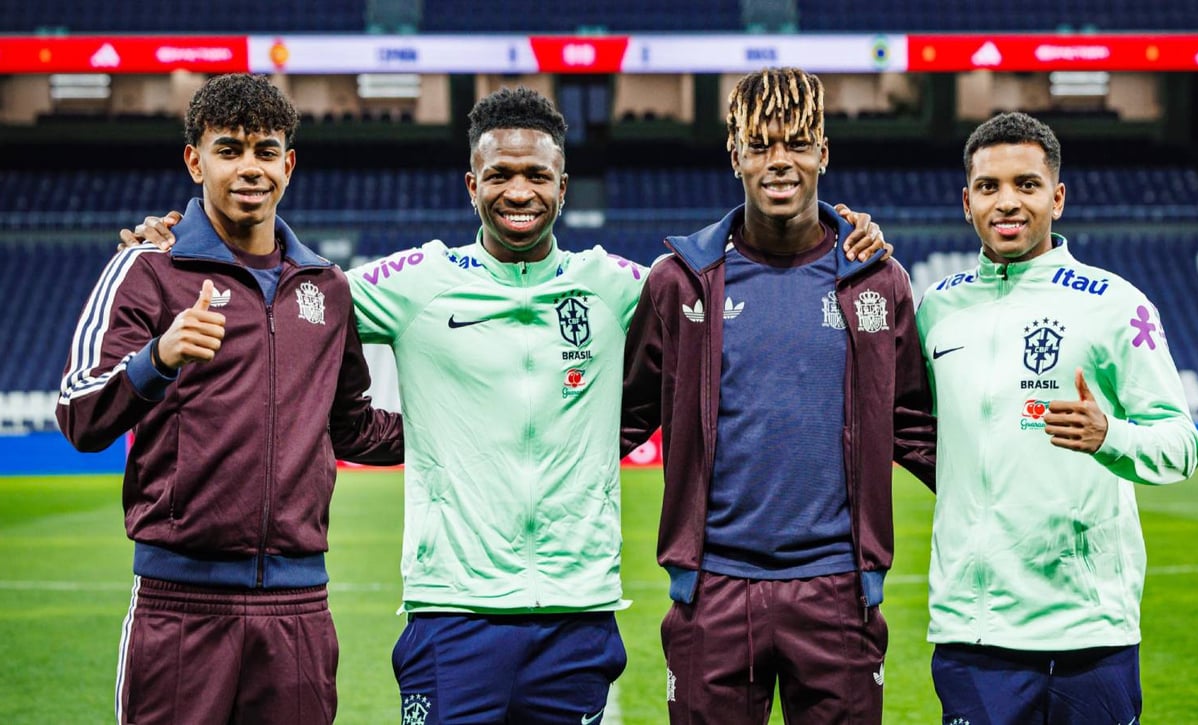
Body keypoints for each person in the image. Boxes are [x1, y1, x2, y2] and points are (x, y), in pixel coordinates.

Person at [123, 85, 891, 725]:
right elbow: (296, 298)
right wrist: (192, 243)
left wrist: (850, 231)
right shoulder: (412, 282)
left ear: (562, 184)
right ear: (471, 185)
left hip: (577, 607)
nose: (517, 190)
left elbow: (742, 280)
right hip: (452, 609)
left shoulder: (627, 283)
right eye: (499, 175)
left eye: (536, 174)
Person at [57, 73, 404, 725]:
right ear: (195, 160)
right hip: (179, 605)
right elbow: (79, 414)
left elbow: (353, 426)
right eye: (230, 149)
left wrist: (468, 428)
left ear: (289, 164)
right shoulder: (148, 272)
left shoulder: (325, 288)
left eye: (266, 150)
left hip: (300, 607)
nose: (251, 167)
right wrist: (158, 357)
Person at [620, 67, 938, 724]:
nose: (779, 161)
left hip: (839, 595)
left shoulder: (878, 282)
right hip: (713, 591)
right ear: (734, 152)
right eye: (760, 144)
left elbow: (914, 427)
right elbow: (620, 419)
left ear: (823, 151)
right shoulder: (679, 284)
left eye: (796, 142)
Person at [914, 111, 1198, 724]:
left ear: (1058, 197)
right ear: (967, 202)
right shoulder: (937, 312)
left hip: (1090, 632)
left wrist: (1110, 437)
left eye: (1027, 184)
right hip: (976, 632)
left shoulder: (1116, 304)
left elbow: (1182, 444)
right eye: (989, 187)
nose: (1007, 202)